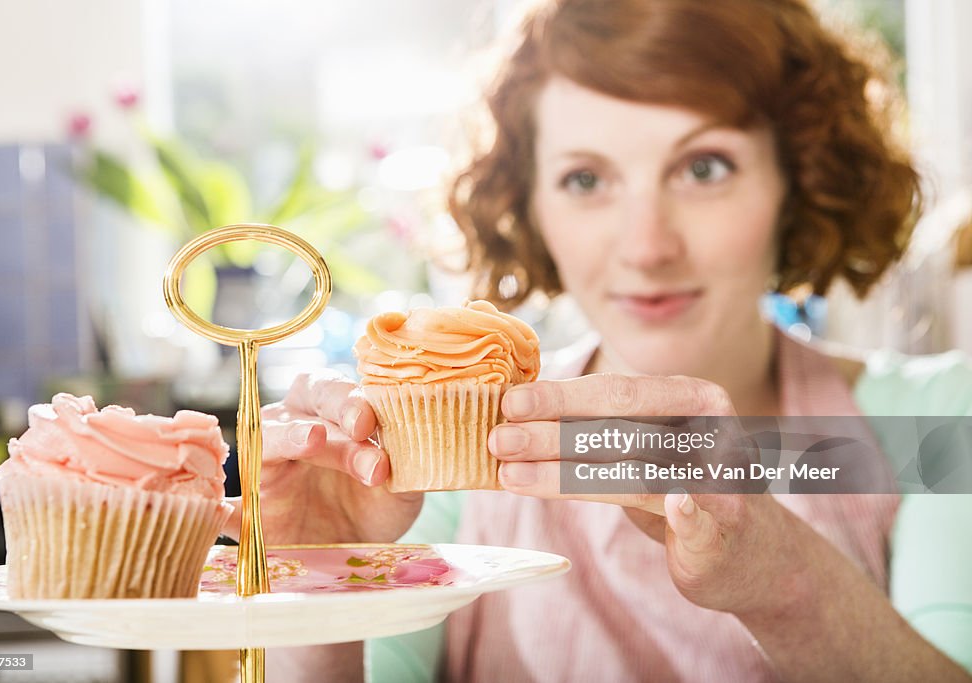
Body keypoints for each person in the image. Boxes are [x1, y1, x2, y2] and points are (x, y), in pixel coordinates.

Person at [223, 0, 972, 680]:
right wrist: (319, 585)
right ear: (529, 202)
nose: (646, 245)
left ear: (800, 177)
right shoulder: (450, 455)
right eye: (586, 180)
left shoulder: (935, 419)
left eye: (704, 168)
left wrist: (786, 582)